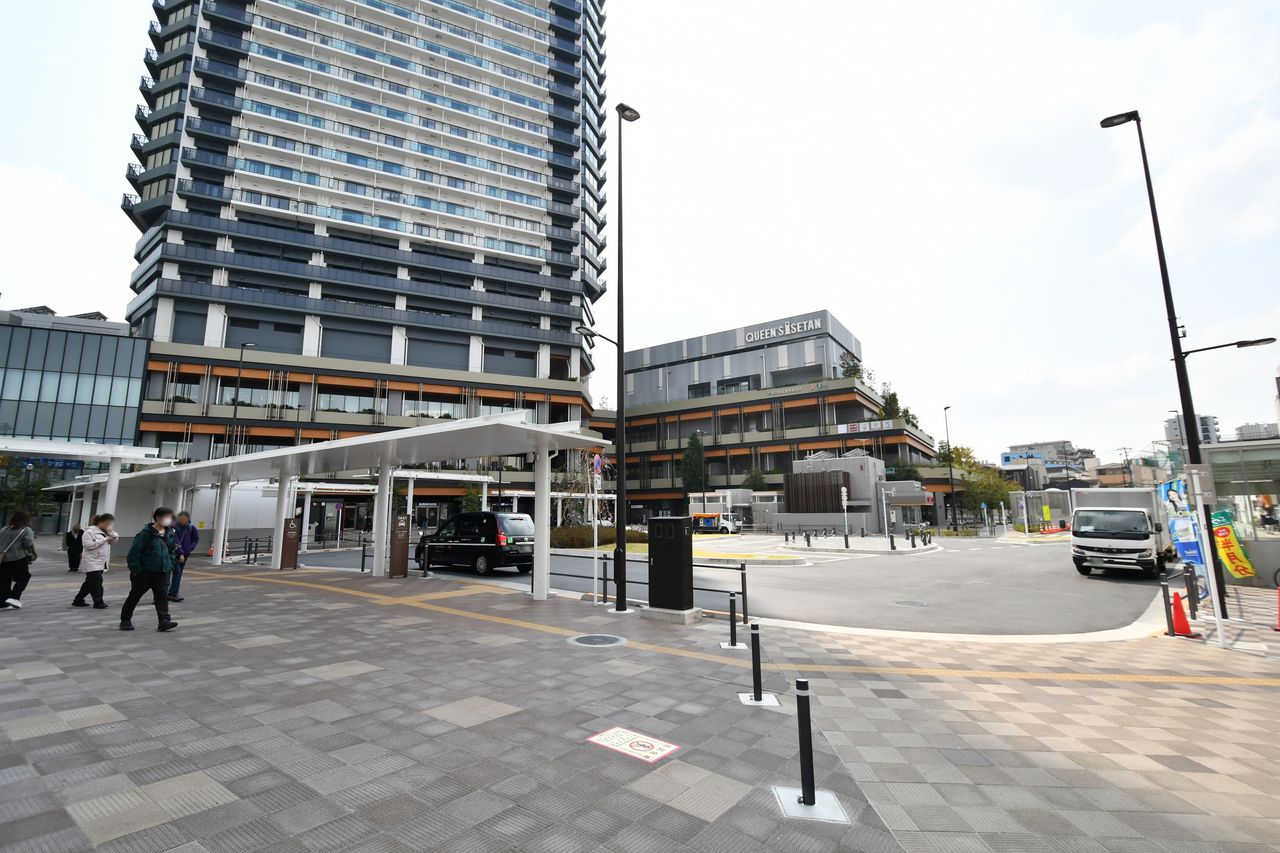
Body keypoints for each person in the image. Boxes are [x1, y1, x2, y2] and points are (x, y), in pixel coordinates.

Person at [121, 507, 178, 632]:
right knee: (135, 596)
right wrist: (138, 570)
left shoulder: (169, 533)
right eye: (167, 517)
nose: (170, 520)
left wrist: (170, 564)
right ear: (158, 518)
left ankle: (164, 621)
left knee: (162, 596)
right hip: (145, 572)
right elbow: (134, 553)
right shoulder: (145, 534)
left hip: (163, 571)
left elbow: (171, 551)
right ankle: (125, 620)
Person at [73, 514, 117, 609]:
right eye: (106, 523)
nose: (108, 525)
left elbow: (114, 541)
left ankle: (78, 600)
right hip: (91, 561)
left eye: (109, 523)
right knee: (97, 582)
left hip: (101, 561)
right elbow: (88, 545)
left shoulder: (105, 532)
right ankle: (98, 602)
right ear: (100, 522)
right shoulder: (89, 532)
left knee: (90, 583)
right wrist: (104, 539)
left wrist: (112, 534)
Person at [0, 511, 36, 610]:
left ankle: (3, 602)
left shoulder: (4, 529)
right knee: (24, 577)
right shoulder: (26, 530)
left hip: (3, 559)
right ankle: (14, 597)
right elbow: (27, 544)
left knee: (4, 581)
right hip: (18, 558)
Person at [168, 512, 199, 602]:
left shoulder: (191, 528)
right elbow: (175, 540)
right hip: (174, 554)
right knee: (175, 573)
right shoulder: (174, 527)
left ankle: (172, 593)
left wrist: (189, 549)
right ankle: (171, 593)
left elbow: (195, 539)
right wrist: (180, 553)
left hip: (184, 555)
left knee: (177, 574)